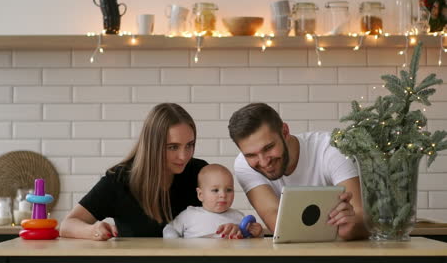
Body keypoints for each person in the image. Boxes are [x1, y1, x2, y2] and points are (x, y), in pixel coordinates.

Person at [59, 103, 209, 241]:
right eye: (173, 147)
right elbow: (67, 225)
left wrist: (229, 228)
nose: (184, 156)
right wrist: (93, 230)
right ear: (152, 146)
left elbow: (220, 216)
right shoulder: (119, 180)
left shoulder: (200, 172)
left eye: (189, 145)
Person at [227, 103, 368, 241]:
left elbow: (360, 215)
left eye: (268, 147)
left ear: (285, 132)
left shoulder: (331, 149)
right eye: (251, 155)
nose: (263, 162)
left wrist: (351, 229)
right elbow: (278, 224)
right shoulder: (243, 164)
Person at [163, 164, 263, 239]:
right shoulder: (189, 214)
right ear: (200, 195)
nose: (223, 195)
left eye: (229, 190)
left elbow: (250, 243)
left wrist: (257, 233)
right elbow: (170, 229)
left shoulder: (239, 217)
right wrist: (173, 243)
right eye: (215, 190)